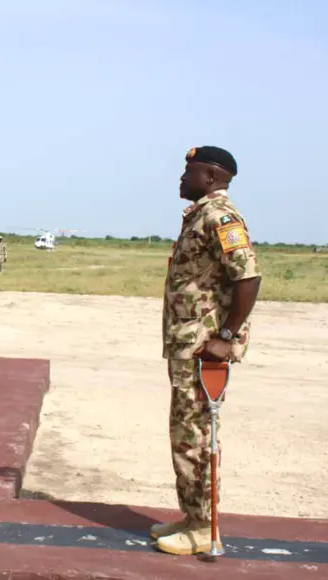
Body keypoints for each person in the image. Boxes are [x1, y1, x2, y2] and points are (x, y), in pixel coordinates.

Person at [152, 146, 261, 556]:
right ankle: (191, 515)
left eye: (189, 170)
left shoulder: (220, 217)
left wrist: (227, 336)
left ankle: (203, 528)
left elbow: (248, 278)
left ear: (212, 175)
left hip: (204, 347)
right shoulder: (199, 214)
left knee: (195, 435)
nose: (182, 177)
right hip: (188, 343)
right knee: (184, 433)